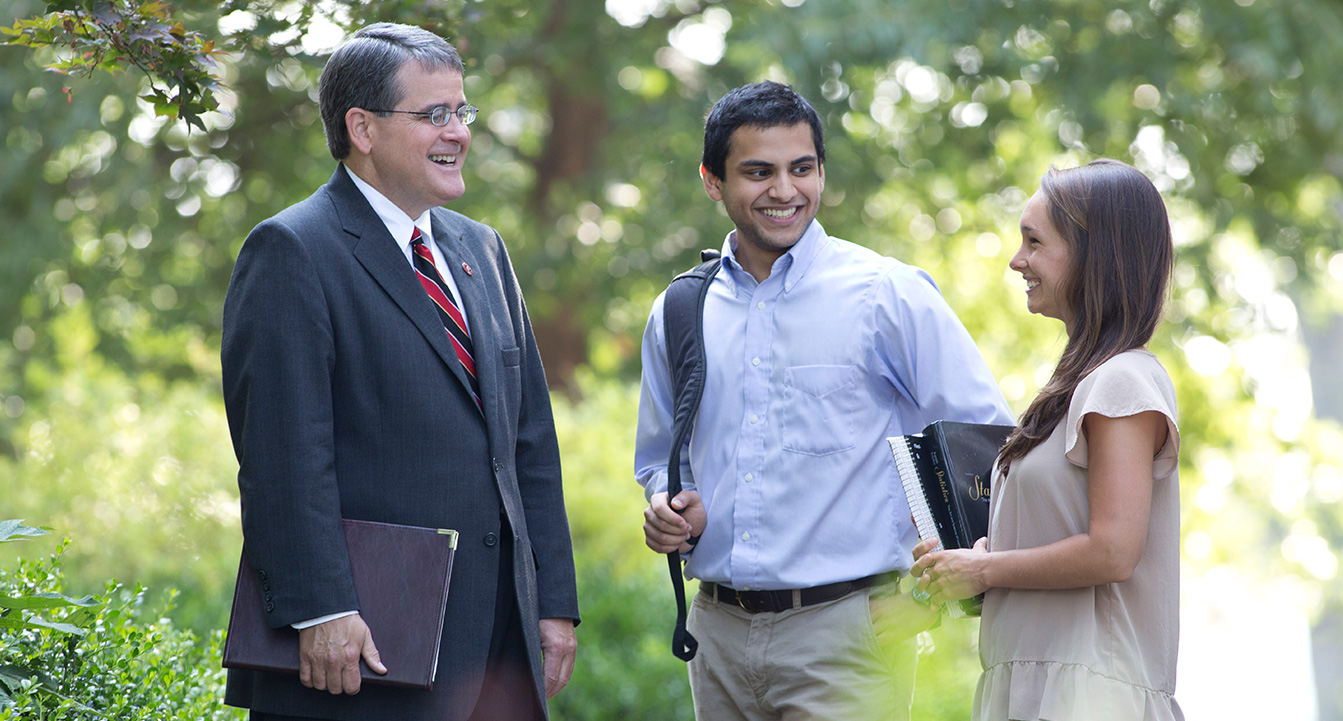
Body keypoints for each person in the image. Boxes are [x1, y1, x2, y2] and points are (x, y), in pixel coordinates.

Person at [220, 23, 578, 721]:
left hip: (497, 644)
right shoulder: (292, 251)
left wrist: (553, 602)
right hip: (363, 647)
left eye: (461, 111)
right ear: (363, 127)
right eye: (434, 114)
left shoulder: (482, 248)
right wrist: (321, 605)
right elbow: (284, 457)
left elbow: (528, 439)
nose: (458, 132)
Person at [634, 80, 1014, 720]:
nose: (784, 190)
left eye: (801, 168)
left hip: (850, 636)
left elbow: (990, 451)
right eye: (758, 172)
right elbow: (659, 461)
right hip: (716, 635)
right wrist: (668, 508)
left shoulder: (886, 295)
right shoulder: (680, 309)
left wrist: (933, 600)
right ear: (712, 181)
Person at [910, 159, 1183, 720]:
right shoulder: (1080, 383)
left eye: (1034, 243)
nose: (1017, 261)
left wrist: (984, 571)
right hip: (1035, 687)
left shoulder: (1121, 382)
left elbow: (1113, 550)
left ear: (1094, 255)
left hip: (1086, 697)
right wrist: (972, 560)